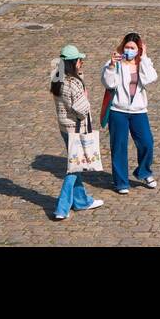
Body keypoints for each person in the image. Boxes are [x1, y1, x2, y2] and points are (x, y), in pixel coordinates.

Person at [50, 44, 105, 221]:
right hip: (76, 129)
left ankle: (81, 201)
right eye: (80, 61)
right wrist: (86, 95)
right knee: (74, 167)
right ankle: (62, 207)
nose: (82, 63)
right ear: (74, 62)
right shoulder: (73, 84)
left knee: (77, 164)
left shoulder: (56, 77)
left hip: (64, 128)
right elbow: (82, 109)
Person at [102, 33, 159, 193]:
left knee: (147, 142)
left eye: (133, 48)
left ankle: (144, 172)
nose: (129, 50)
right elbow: (108, 83)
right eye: (127, 47)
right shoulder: (114, 63)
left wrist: (145, 57)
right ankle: (121, 182)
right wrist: (111, 67)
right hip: (118, 110)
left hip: (138, 111)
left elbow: (150, 79)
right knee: (119, 146)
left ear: (139, 49)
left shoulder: (142, 63)